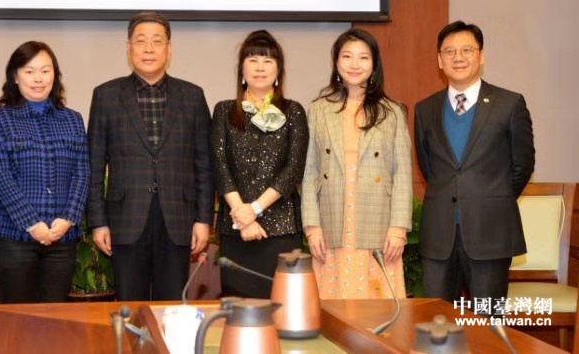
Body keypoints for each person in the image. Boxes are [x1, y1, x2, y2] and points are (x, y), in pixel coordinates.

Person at [86, 11, 214, 301]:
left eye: (157, 41)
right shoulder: (106, 95)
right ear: (128, 47)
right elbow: (94, 165)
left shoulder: (192, 96)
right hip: (125, 219)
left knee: (172, 305)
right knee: (131, 306)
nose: (148, 49)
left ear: (169, 49)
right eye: (140, 41)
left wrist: (203, 219)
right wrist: (98, 222)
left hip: (178, 219)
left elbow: (204, 164)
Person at [415, 21, 535, 308]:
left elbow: (522, 165)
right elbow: (428, 166)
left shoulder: (509, 104)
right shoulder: (425, 109)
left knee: (487, 323)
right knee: (437, 322)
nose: (458, 57)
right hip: (439, 235)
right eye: (449, 51)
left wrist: (490, 198)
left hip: (490, 232)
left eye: (467, 50)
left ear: (481, 56)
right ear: (439, 60)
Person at [302, 28, 412, 299]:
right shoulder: (318, 109)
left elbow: (402, 173)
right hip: (331, 223)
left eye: (363, 57)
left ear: (374, 64)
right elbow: (309, 171)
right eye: (347, 56)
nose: (354, 64)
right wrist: (312, 227)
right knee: (332, 303)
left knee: (377, 305)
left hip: (378, 223)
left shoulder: (392, 111)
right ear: (336, 62)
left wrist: (398, 228)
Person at [0, 41, 89, 303]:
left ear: (55, 75)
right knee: (17, 318)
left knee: (55, 317)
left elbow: (82, 172)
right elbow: (0, 177)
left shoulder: (73, 119)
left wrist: (69, 218)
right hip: (14, 238)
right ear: (15, 77)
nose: (38, 79)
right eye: (29, 71)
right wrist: (32, 223)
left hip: (62, 237)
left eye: (45, 71)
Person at [210, 30, 309, 298]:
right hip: (235, 229)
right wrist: (242, 215)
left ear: (278, 71)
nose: (260, 67)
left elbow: (293, 169)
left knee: (283, 308)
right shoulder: (223, 111)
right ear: (242, 70)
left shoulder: (293, 111)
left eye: (268, 61)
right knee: (239, 311)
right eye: (253, 60)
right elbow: (220, 166)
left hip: (281, 230)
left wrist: (253, 209)